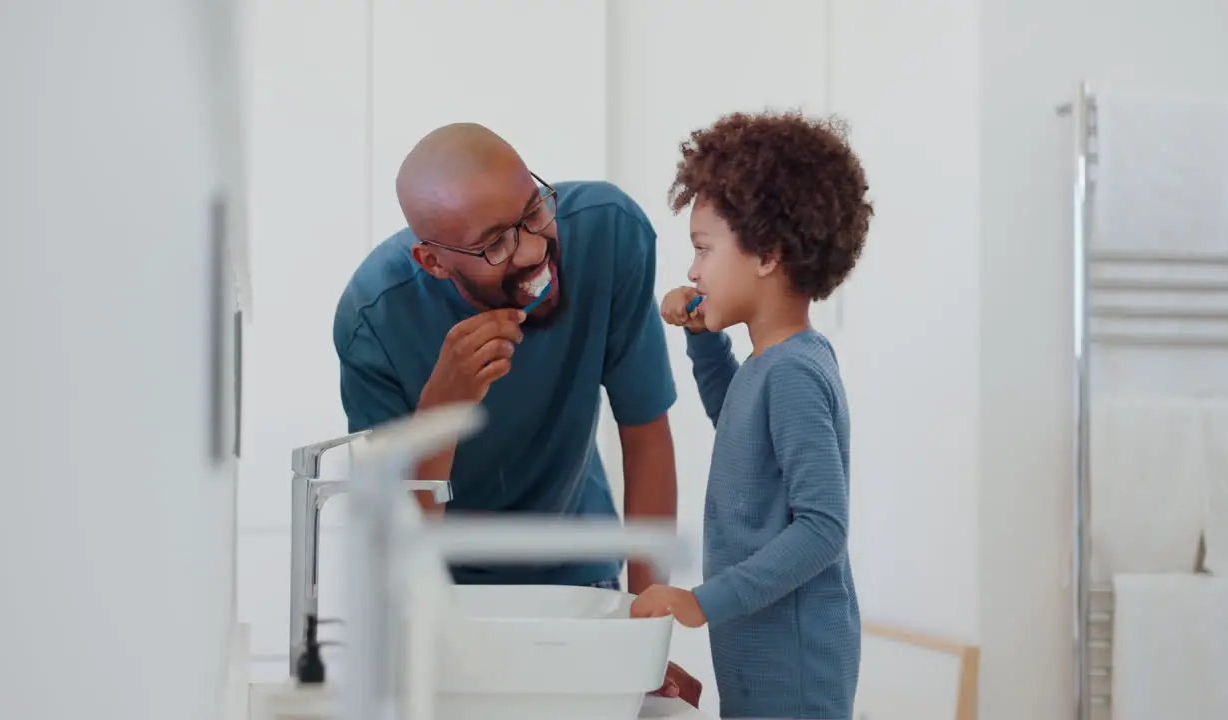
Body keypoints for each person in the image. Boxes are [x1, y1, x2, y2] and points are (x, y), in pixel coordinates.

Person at [332, 122, 680, 597]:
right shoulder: (373, 319)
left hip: (580, 568)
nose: (535, 250)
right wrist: (441, 410)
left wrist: (649, 630)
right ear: (432, 262)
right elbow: (400, 536)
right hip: (437, 585)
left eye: (534, 211)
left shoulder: (609, 235)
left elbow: (646, 439)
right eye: (495, 244)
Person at [630, 110, 873, 719]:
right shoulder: (773, 364)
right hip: (761, 648)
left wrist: (703, 601)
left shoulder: (792, 372)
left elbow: (822, 527)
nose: (692, 270)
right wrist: (702, 335)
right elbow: (732, 419)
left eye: (703, 249)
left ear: (766, 254)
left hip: (795, 664)